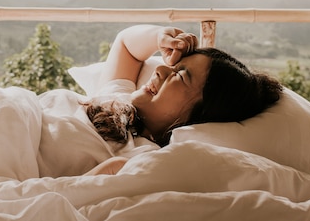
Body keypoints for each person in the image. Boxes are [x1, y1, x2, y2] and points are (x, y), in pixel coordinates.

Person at [83, 24, 283, 175]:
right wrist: (161, 38)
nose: (159, 69)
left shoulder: (142, 159)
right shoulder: (118, 100)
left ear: (202, 117)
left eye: (179, 75)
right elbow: (125, 44)